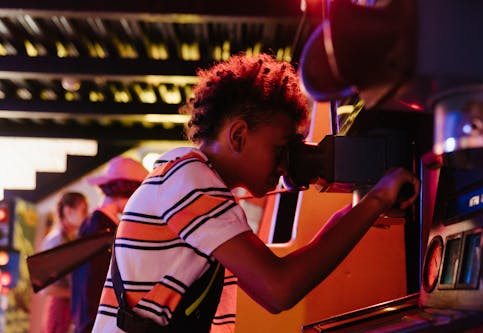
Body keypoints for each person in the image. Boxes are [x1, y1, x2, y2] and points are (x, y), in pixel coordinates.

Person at [92, 53, 420, 333]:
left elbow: (270, 292)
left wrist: (361, 210)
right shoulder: (189, 179)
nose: (284, 164)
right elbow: (278, 289)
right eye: (279, 149)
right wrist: (375, 200)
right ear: (238, 135)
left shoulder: (184, 177)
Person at [71, 156, 148, 333]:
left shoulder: (92, 222)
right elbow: (93, 285)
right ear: (129, 190)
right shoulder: (103, 227)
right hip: (94, 323)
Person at [40, 191, 88, 333]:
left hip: (72, 309)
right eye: (84, 210)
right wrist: (79, 293)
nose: (87, 215)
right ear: (68, 211)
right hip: (61, 311)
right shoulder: (55, 241)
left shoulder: (72, 238)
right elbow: (46, 288)